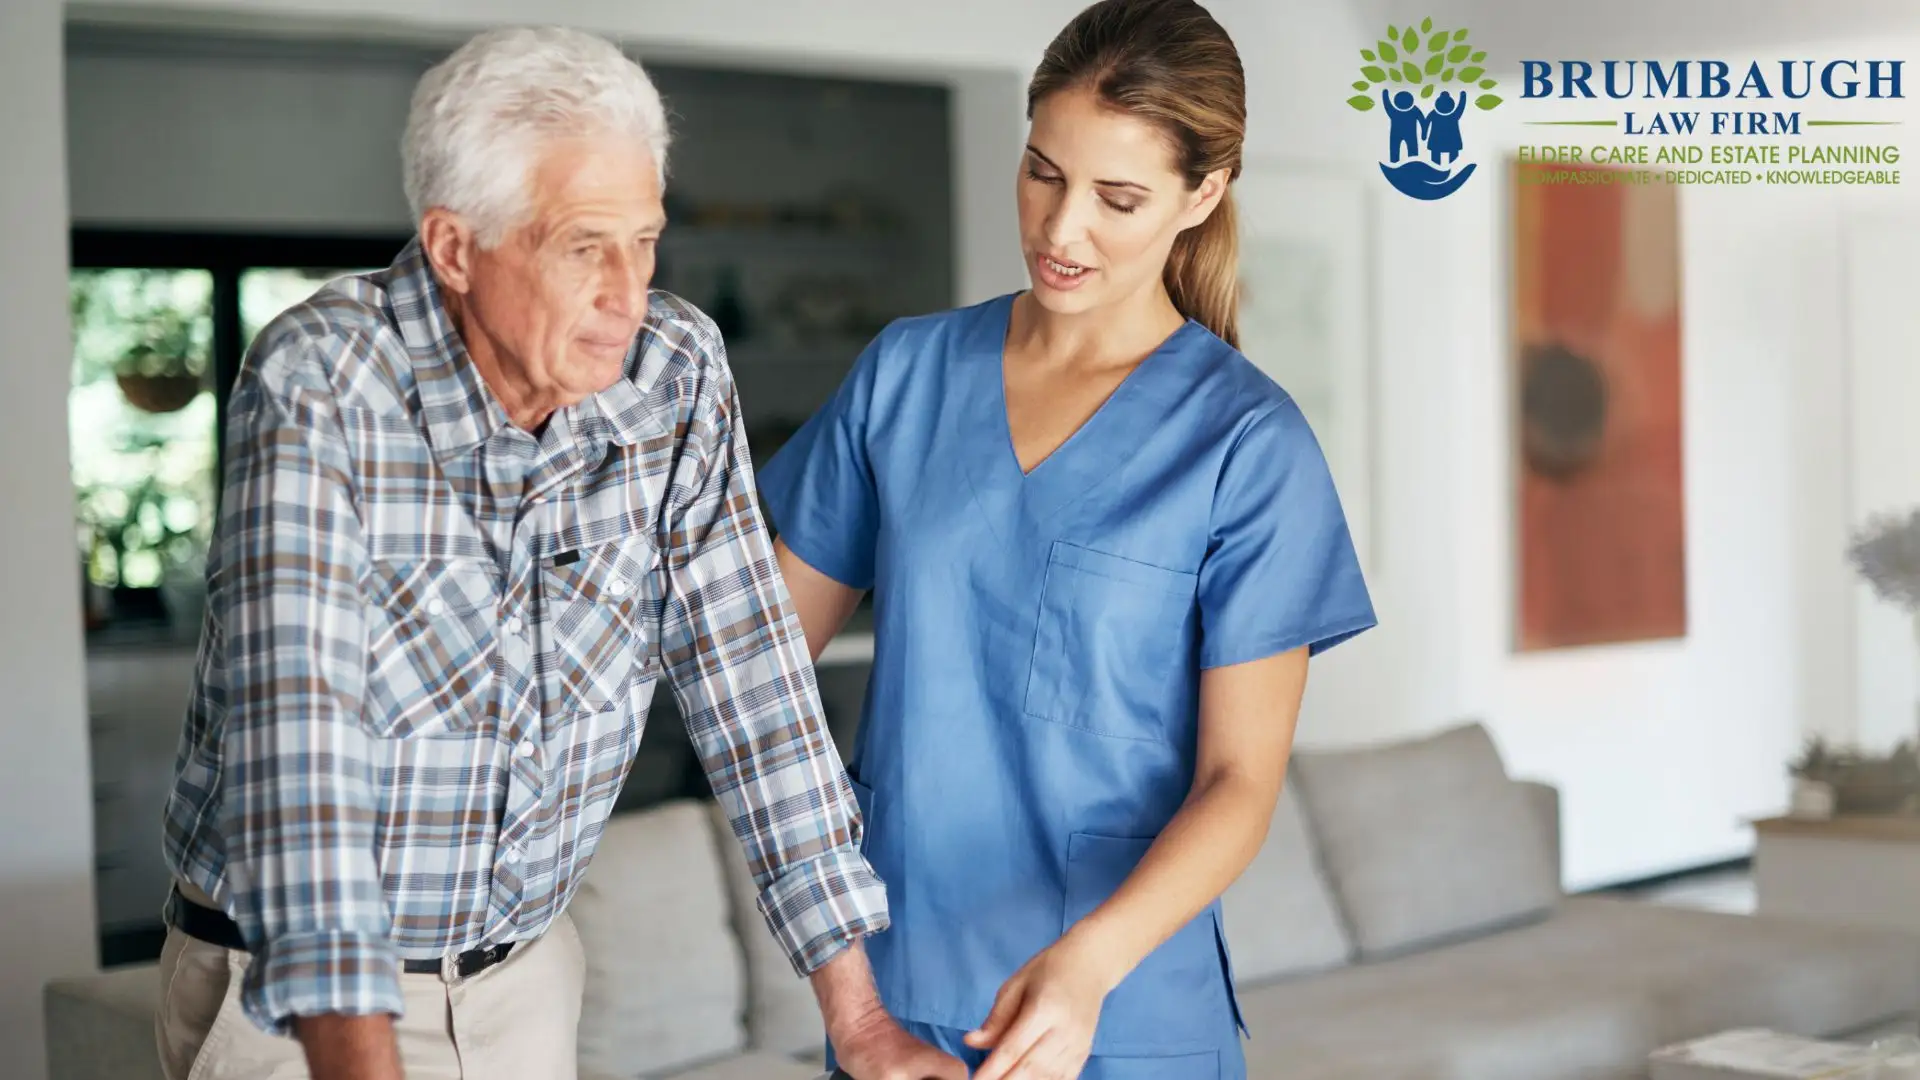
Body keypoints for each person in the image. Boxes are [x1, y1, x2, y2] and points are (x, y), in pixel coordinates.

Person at [154, 25, 965, 1080]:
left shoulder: (673, 372)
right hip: (297, 1000)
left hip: (525, 983)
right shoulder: (322, 380)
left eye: (646, 240)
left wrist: (859, 1018)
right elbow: (297, 758)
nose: (628, 292)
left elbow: (754, 685)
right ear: (455, 249)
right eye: (585, 247)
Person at [757, 1, 1377, 1078]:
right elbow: (750, 675)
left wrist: (1089, 965)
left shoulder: (1246, 445)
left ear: (1202, 195)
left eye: (1117, 198)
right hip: (895, 999)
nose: (1060, 228)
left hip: (1123, 1011)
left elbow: (1239, 783)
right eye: (1043, 172)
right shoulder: (905, 376)